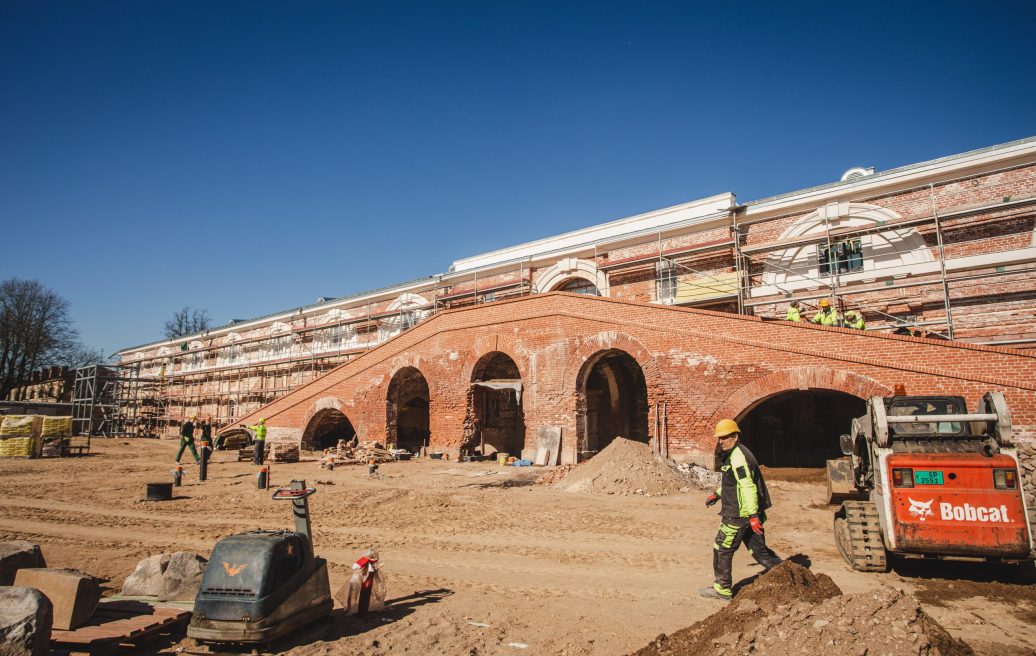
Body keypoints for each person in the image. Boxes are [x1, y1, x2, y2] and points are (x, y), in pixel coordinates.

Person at [699, 419, 781, 602]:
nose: (721, 441)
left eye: (725, 437)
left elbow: (747, 487)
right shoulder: (738, 453)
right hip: (746, 513)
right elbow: (733, 483)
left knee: (722, 548)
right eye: (719, 438)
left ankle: (722, 589)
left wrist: (752, 516)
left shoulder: (738, 457)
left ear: (735, 436)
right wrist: (718, 494)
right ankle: (788, 575)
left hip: (738, 514)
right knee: (759, 551)